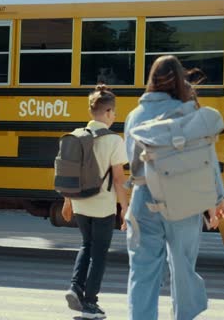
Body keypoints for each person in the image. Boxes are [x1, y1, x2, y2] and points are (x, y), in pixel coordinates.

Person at [124, 55, 224, 320]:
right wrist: (217, 199)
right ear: (180, 79)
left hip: (144, 198)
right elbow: (207, 160)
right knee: (182, 268)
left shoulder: (134, 116)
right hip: (184, 199)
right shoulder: (190, 112)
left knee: (143, 270)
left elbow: (132, 161)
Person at [61, 85, 130, 319]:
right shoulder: (113, 140)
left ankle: (75, 287)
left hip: (79, 201)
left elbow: (68, 172)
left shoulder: (77, 135)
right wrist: (125, 209)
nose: (115, 116)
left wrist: (67, 201)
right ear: (108, 112)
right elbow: (120, 180)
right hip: (102, 205)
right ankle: (90, 303)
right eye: (115, 112)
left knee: (86, 244)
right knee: (99, 253)